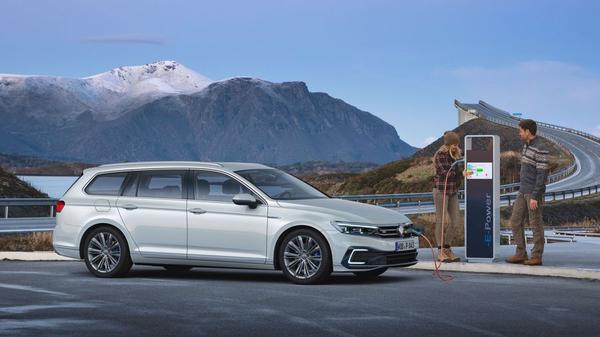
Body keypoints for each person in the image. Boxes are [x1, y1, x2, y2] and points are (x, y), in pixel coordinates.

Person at [505, 119, 549, 266]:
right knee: (515, 221)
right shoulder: (526, 146)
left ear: (528, 132)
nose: (519, 133)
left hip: (533, 193)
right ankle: (520, 253)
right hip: (522, 191)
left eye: (520, 131)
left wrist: (535, 196)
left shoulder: (540, 148)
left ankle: (536, 256)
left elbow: (542, 174)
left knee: (535, 224)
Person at [432, 131, 463, 262]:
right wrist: (459, 170)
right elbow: (445, 172)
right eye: (453, 144)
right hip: (441, 191)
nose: (455, 146)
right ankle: (440, 251)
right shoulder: (440, 155)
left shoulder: (457, 155)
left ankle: (447, 247)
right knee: (441, 220)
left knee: (456, 221)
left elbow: (459, 173)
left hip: (453, 191)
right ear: (448, 144)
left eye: (457, 144)